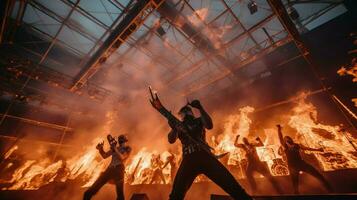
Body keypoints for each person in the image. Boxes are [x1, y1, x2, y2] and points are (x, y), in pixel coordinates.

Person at [149, 90, 251, 200]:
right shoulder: (180, 125)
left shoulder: (198, 121)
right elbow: (171, 139)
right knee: (176, 195)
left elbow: (209, 125)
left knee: (233, 187)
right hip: (191, 159)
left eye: (187, 112)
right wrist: (174, 128)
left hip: (203, 156)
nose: (186, 114)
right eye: (185, 113)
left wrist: (200, 107)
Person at [276, 124, 333, 194]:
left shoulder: (296, 145)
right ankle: (296, 194)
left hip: (301, 163)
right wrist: (279, 129)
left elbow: (307, 148)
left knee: (317, 174)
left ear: (290, 139)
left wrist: (318, 150)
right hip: (292, 166)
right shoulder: (285, 147)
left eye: (287, 138)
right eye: (285, 139)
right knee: (295, 183)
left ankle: (328, 188)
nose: (286, 139)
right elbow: (280, 138)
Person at [83, 134, 131, 200]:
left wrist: (114, 148)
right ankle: (87, 195)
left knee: (120, 194)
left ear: (125, 141)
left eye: (122, 141)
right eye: (120, 141)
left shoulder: (127, 148)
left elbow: (122, 157)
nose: (122, 143)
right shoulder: (115, 148)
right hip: (110, 169)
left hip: (119, 170)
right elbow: (104, 156)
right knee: (95, 186)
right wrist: (100, 149)